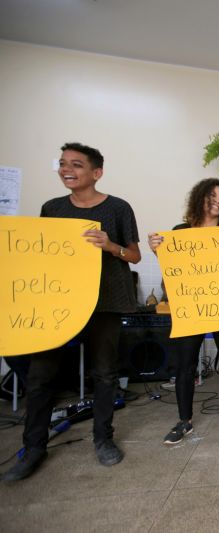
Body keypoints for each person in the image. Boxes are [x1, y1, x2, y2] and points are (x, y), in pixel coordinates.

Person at [2, 142, 141, 481]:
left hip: (105, 302)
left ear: (97, 172)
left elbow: (134, 256)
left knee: (105, 374)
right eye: (63, 163)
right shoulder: (52, 208)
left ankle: (103, 439)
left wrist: (110, 246)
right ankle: (33, 448)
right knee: (40, 375)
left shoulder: (119, 208)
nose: (67, 169)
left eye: (77, 165)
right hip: (57, 304)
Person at [148, 178, 219, 445]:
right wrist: (158, 250)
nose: (218, 201)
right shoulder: (180, 231)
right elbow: (173, 269)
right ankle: (185, 422)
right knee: (185, 366)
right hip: (190, 309)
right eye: (213, 196)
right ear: (201, 197)